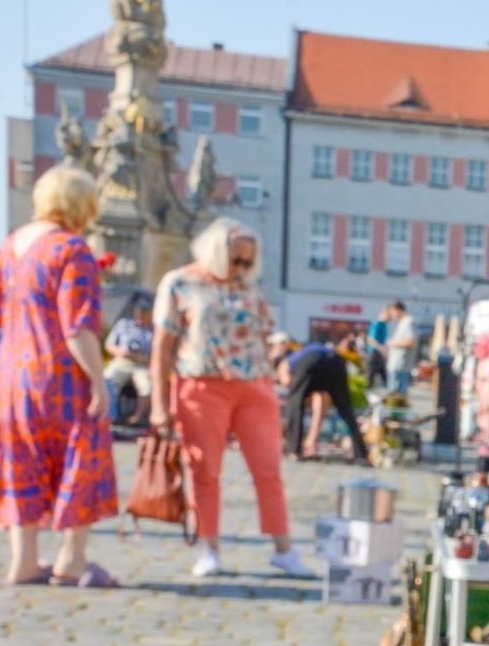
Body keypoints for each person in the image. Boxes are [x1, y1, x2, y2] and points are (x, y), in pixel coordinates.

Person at [0, 165, 119, 587]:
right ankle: (72, 560)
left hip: (12, 378)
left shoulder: (10, 247)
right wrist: (97, 380)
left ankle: (24, 562)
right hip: (60, 377)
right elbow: (78, 327)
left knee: (21, 460)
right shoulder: (72, 250)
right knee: (81, 456)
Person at [150, 217, 314, 579]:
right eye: (235, 260)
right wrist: (160, 404)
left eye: (247, 262)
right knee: (205, 470)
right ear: (215, 253)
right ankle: (209, 547)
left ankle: (283, 548)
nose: (240, 268)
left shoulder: (249, 288)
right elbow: (162, 347)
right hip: (201, 386)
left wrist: (277, 355)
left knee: (268, 468)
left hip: (254, 386)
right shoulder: (180, 283)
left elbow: (267, 331)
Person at [273, 332, 371, 464]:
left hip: (312, 361)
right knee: (346, 410)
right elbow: (321, 402)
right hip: (336, 360)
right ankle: (361, 455)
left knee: (295, 405)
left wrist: (295, 393)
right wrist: (312, 438)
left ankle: (294, 451)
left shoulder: (285, 363)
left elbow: (286, 382)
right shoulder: (303, 354)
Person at [104, 290, 155, 425]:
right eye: (139, 311)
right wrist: (121, 352)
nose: (141, 315)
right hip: (123, 360)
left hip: (143, 363)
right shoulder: (124, 324)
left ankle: (137, 417)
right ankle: (110, 415)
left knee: (147, 385)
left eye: (145, 312)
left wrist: (144, 358)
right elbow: (109, 344)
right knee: (108, 379)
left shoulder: (155, 329)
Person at [385, 300, 418, 395]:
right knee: (394, 394)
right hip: (396, 364)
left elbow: (411, 341)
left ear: (398, 310)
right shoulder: (402, 322)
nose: (392, 315)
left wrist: (393, 343)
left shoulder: (409, 322)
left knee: (397, 395)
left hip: (400, 365)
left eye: (392, 311)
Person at [365, 312, 389, 389]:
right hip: (373, 353)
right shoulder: (377, 324)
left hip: (379, 353)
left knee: (384, 376)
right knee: (370, 375)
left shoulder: (384, 325)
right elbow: (371, 339)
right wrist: (382, 349)